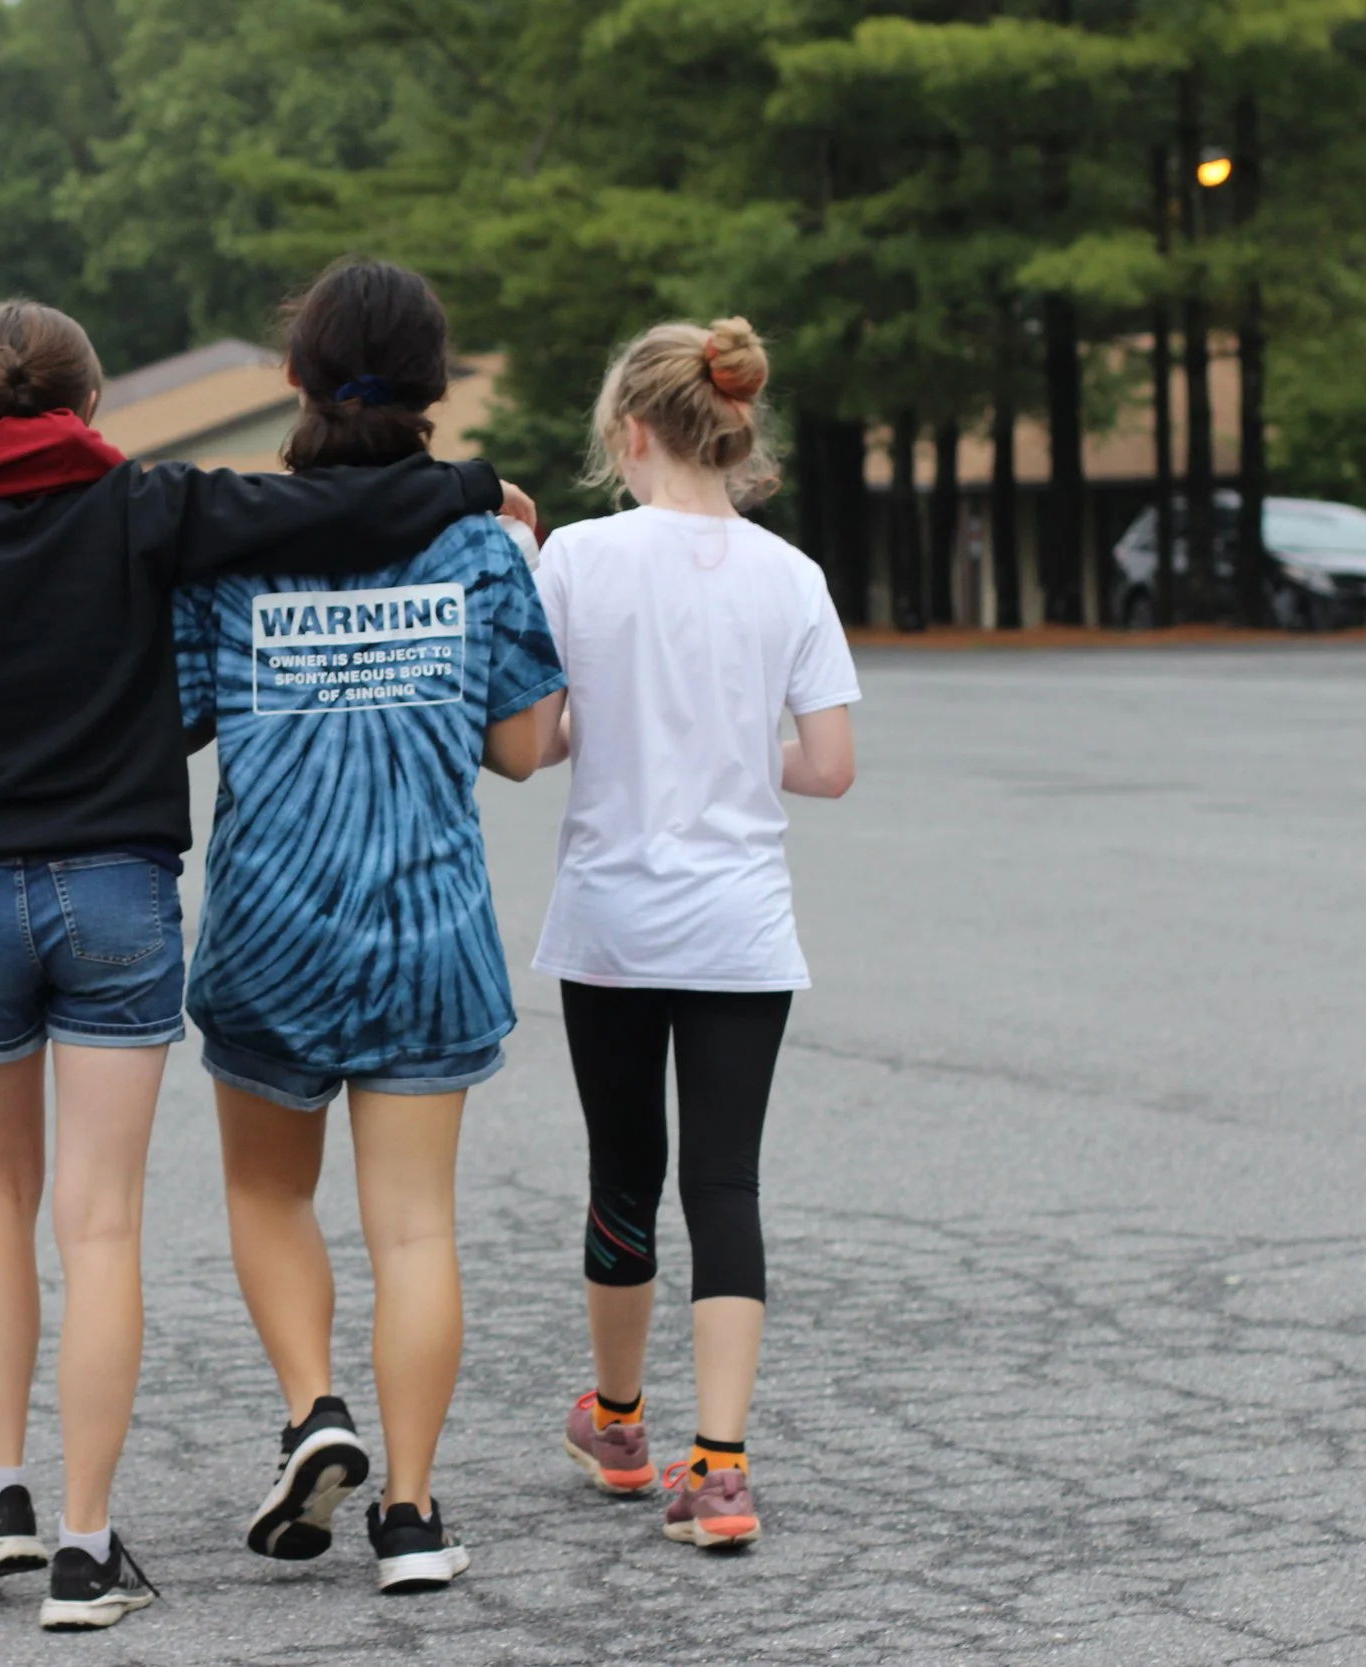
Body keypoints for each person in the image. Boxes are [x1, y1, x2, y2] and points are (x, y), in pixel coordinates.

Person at [0, 297, 536, 1631]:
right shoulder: (147, 505)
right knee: (102, 1221)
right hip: (119, 888)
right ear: (89, 401)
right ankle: (83, 1545)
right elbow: (336, 513)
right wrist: (469, 483)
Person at [171, 259, 566, 1595]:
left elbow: (176, 714)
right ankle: (408, 1512)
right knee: (413, 1226)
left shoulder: (231, 543)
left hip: (271, 924)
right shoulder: (481, 545)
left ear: (294, 377)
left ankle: (312, 1409)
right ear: (436, 388)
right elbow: (522, 747)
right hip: (425, 927)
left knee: (268, 1190)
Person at [535, 317, 859, 1552]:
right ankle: (720, 1467)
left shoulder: (577, 558)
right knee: (725, 1181)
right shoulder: (792, 575)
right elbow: (828, 765)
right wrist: (732, 748)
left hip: (612, 921)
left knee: (622, 1171)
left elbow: (539, 740)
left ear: (630, 431)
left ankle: (619, 1422)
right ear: (732, 425)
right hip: (739, 925)